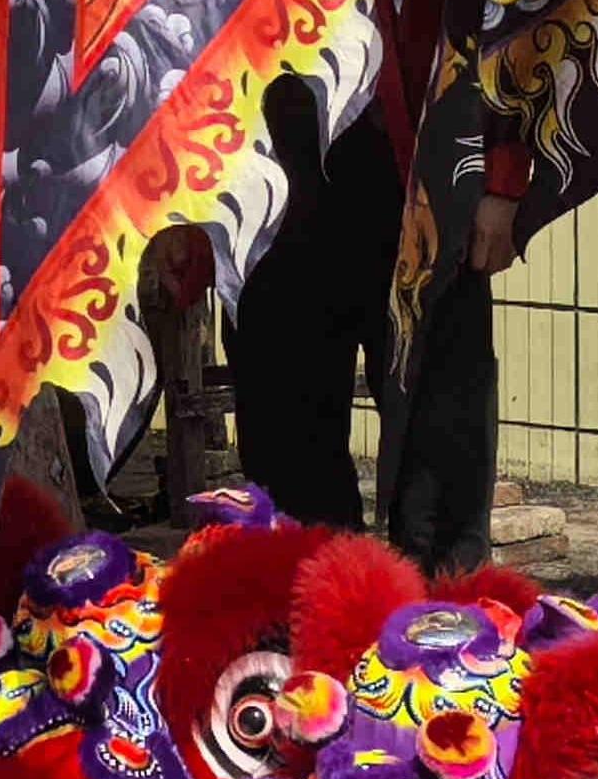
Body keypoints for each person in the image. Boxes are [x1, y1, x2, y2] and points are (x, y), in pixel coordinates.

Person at [213, 77, 404, 531]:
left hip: (396, 134)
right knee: (288, 437)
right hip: (260, 134)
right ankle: (309, 572)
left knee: (424, 419)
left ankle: (439, 592)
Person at [375, 88, 526, 575]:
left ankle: (450, 641)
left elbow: (507, 29)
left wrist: (502, 177)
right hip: (286, 162)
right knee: (294, 476)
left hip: (435, 161)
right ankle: (298, 638)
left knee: (444, 461)